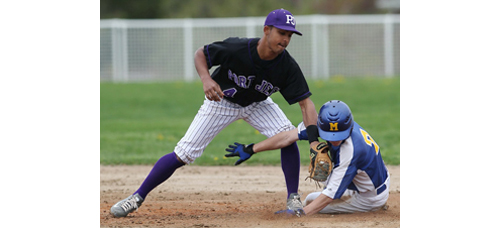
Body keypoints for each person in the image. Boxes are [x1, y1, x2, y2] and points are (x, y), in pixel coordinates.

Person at [110, 8, 320, 218]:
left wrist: (313, 143)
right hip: (221, 101)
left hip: (258, 104)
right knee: (184, 153)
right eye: (281, 33)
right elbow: (201, 53)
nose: (285, 39)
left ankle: (293, 197)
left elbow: (306, 104)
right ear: (267, 30)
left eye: (289, 35)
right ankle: (136, 198)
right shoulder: (237, 48)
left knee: (286, 136)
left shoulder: (287, 66)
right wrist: (206, 79)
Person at [225, 100, 390, 216]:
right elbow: (286, 138)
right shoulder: (335, 124)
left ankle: (374, 206)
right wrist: (252, 149)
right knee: (319, 187)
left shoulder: (352, 150)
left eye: (338, 135)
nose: (333, 139)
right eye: (329, 134)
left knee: (311, 202)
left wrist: (301, 215)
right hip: (372, 179)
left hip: (370, 196)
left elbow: (330, 195)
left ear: (348, 127)